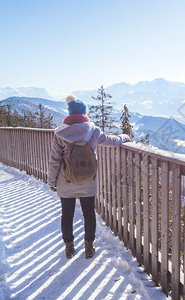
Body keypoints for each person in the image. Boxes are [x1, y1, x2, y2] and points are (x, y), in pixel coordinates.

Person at [48, 94, 131, 259]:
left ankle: (69, 248)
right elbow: (112, 140)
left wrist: (52, 182)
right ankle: (89, 247)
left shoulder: (60, 134)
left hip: (67, 182)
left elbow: (54, 161)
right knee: (89, 214)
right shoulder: (93, 130)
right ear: (84, 113)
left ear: (70, 113)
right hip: (89, 181)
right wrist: (125, 136)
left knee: (67, 214)